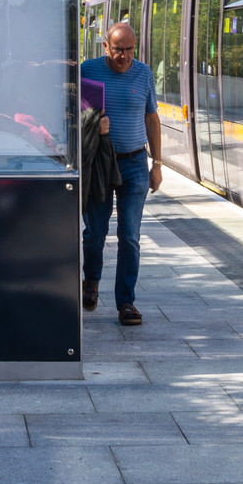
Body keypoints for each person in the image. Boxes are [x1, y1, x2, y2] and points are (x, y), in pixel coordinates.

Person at [79, 21, 162, 326]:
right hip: (99, 163)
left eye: (129, 49)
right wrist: (92, 123)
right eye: (118, 49)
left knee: (129, 236)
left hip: (134, 162)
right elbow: (72, 113)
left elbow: (151, 118)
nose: (124, 56)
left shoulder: (144, 74)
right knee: (95, 233)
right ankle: (91, 281)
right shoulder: (88, 70)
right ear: (106, 46)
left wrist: (157, 164)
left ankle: (125, 302)